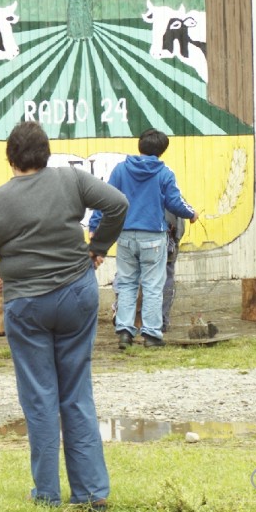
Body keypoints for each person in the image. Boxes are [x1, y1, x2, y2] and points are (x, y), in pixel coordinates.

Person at [0, 121, 129, 509]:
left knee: (40, 397)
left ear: (10, 157)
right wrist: (98, 245)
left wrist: (12, 251)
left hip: (27, 304)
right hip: (76, 294)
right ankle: (91, 493)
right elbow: (117, 205)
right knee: (76, 392)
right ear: (46, 153)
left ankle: (47, 494)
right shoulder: (71, 180)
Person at [102, 129, 197, 348]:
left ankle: (125, 332)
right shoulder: (164, 173)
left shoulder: (120, 170)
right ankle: (152, 334)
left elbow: (107, 199)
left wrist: (97, 226)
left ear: (140, 145)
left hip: (125, 235)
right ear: (162, 151)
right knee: (153, 285)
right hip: (153, 237)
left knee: (126, 283)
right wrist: (191, 214)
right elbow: (175, 203)